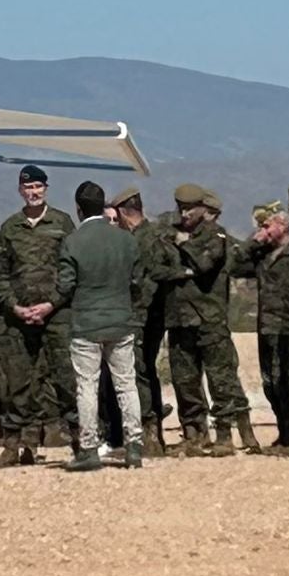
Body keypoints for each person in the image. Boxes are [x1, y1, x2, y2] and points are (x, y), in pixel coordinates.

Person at [0, 165, 75, 466]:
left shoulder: (62, 222)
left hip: (56, 315)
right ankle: (15, 445)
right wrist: (15, 306)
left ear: (46, 189)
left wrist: (52, 303)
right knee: (18, 382)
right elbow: (0, 275)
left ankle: (80, 443)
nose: (33, 192)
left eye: (38, 186)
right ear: (20, 190)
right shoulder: (10, 227)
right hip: (20, 318)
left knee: (66, 379)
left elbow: (71, 270)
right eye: (28, 187)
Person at [164, 183, 261, 455]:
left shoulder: (215, 235)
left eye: (190, 209)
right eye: (181, 208)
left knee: (221, 378)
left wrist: (183, 247)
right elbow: (160, 266)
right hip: (179, 317)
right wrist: (180, 266)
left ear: (202, 209)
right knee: (185, 379)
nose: (185, 214)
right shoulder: (170, 233)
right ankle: (194, 432)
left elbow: (204, 264)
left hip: (209, 318)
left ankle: (226, 433)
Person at [57, 180, 145, 470]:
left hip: (86, 323)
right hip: (121, 320)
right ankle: (134, 446)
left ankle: (89, 449)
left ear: (79, 209)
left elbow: (65, 285)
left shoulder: (73, 241)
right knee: (126, 384)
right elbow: (137, 280)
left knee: (87, 386)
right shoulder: (126, 240)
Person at [232, 202, 289, 451]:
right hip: (267, 325)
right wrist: (254, 242)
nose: (263, 230)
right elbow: (235, 264)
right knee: (270, 383)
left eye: (267, 225)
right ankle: (285, 433)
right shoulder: (263, 255)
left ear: (283, 225)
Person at [111, 186, 174, 453]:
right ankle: (151, 432)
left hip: (140, 316)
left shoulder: (140, 240)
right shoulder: (156, 235)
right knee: (145, 371)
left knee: (140, 373)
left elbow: (148, 279)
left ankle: (149, 432)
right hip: (149, 315)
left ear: (124, 214)